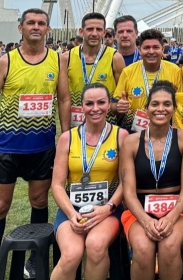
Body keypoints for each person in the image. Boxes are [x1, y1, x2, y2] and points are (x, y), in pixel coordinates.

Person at [0, 8, 70, 277]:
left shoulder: (57, 60)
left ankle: (33, 260)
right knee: (2, 205)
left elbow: (63, 99)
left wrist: (65, 135)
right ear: (21, 28)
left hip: (41, 147)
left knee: (39, 201)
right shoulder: (7, 61)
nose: (36, 27)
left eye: (42, 23)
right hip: (7, 146)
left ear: (48, 29)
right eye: (30, 22)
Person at [119, 80, 183, 280]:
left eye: (166, 104)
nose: (160, 109)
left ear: (174, 109)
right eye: (155, 104)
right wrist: (145, 222)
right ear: (146, 108)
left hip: (178, 209)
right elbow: (128, 192)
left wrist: (171, 218)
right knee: (143, 248)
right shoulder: (131, 142)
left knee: (169, 245)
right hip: (139, 210)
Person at [51, 83, 128, 280]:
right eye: (89, 103)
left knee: (95, 245)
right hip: (73, 208)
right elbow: (57, 185)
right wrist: (71, 213)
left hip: (108, 209)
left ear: (109, 104)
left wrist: (108, 208)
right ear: (82, 106)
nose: (95, 108)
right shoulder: (67, 138)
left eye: (101, 102)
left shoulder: (121, 136)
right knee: (71, 254)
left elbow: (125, 182)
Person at [113, 29, 183, 133]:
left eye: (156, 47)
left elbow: (180, 104)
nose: (151, 51)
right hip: (134, 131)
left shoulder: (175, 70)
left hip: (165, 131)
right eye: (146, 48)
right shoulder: (128, 71)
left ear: (163, 49)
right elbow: (115, 104)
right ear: (139, 49)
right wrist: (119, 107)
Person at [64, 12, 125, 128]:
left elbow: (121, 97)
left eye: (99, 29)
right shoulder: (67, 58)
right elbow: (63, 99)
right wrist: (65, 131)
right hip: (76, 127)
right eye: (90, 29)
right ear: (81, 31)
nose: (94, 33)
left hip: (106, 128)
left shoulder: (115, 58)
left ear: (104, 32)